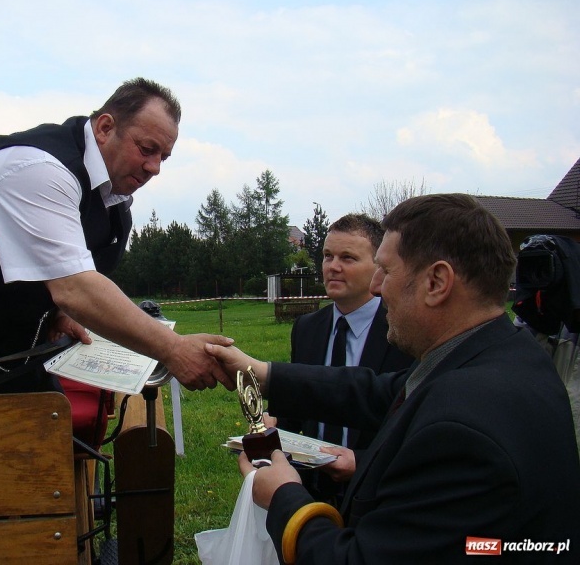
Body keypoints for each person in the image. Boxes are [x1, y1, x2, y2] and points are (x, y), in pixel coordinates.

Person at [207, 194, 580, 564]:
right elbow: (379, 392)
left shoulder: (460, 431)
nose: (376, 286)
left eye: (386, 270)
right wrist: (262, 373)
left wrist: (284, 497)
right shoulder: (501, 356)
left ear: (437, 282)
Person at [0, 77, 234, 397]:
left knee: (40, 417)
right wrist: (173, 349)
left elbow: (64, 274)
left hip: (4, 312)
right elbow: (75, 288)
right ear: (105, 128)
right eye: (146, 149)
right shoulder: (42, 169)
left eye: (163, 157)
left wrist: (56, 311)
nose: (154, 167)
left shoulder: (113, 196)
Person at [267, 213, 413, 506]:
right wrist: (271, 426)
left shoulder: (403, 332)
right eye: (327, 256)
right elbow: (300, 406)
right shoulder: (307, 328)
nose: (333, 267)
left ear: (378, 266)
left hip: (376, 495)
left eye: (348, 258)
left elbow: (411, 426)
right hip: (310, 490)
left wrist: (362, 461)